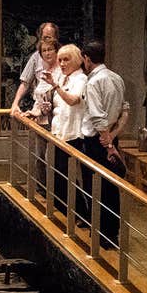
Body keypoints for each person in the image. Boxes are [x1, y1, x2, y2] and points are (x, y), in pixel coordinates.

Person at [76, 39, 130, 243]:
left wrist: (107, 143)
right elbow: (125, 111)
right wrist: (112, 137)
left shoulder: (93, 82)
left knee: (95, 187)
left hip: (96, 141)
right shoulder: (117, 78)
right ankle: (112, 233)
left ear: (87, 59)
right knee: (111, 187)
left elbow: (97, 117)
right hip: (110, 137)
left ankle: (101, 234)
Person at [46, 43, 87, 215]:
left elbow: (72, 100)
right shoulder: (64, 79)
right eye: (60, 60)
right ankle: (65, 212)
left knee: (69, 176)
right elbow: (60, 106)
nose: (62, 64)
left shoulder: (81, 79)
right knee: (57, 176)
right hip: (58, 133)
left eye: (66, 60)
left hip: (73, 134)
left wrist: (55, 86)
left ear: (77, 60)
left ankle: (81, 213)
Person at [21, 40, 59, 196]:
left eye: (50, 49)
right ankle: (42, 191)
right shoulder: (43, 72)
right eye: (44, 51)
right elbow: (39, 99)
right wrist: (34, 111)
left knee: (53, 160)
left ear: (56, 51)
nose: (47, 53)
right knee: (39, 157)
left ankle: (55, 194)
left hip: (55, 122)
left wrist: (44, 111)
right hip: (41, 122)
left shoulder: (61, 72)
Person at [8, 22, 58, 118]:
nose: (47, 53)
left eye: (49, 37)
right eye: (44, 37)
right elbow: (25, 82)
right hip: (40, 109)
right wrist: (15, 103)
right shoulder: (36, 57)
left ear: (56, 38)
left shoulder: (63, 55)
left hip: (58, 109)